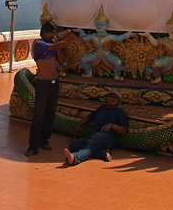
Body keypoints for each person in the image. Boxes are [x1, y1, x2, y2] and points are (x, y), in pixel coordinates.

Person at [25, 20, 75, 157]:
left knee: (50, 114)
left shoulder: (53, 46)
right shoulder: (39, 44)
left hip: (54, 82)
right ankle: (33, 146)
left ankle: (44, 140)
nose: (54, 36)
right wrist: (72, 40)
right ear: (46, 32)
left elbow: (60, 62)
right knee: (39, 116)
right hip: (43, 84)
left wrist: (57, 46)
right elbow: (57, 44)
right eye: (53, 33)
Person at [63, 90, 128, 165]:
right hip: (93, 134)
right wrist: (79, 124)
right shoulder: (102, 108)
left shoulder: (119, 112)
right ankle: (101, 154)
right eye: (110, 97)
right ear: (106, 98)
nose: (112, 99)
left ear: (118, 101)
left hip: (107, 136)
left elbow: (124, 131)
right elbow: (90, 117)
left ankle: (76, 158)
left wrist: (112, 125)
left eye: (114, 98)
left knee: (92, 142)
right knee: (73, 145)